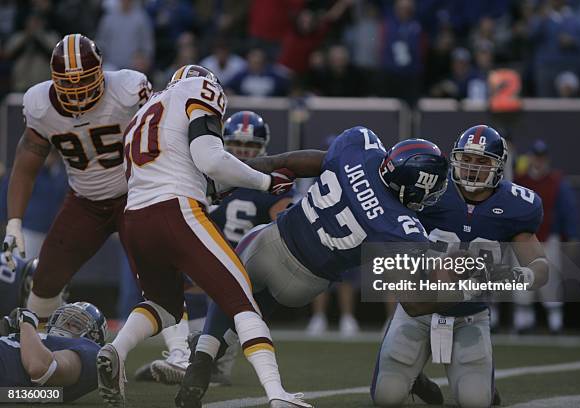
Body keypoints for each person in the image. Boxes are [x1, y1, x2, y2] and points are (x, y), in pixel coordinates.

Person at [180, 127, 450, 406]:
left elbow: (301, 162)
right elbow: (414, 303)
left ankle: (203, 357)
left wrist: (260, 166)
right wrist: (461, 288)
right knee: (256, 308)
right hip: (305, 285)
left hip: (270, 244)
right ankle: (410, 373)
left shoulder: (359, 147)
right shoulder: (401, 226)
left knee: (235, 294)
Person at [99, 64, 310, 408]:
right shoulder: (199, 90)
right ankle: (277, 393)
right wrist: (266, 182)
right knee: (241, 299)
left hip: (135, 218)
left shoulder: (144, 114)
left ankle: (116, 350)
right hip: (175, 210)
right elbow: (210, 159)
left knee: (162, 305)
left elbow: (183, 167)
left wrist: (213, 189)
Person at [371, 125, 549, 408]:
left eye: (482, 162)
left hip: (470, 316)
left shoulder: (517, 206)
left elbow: (540, 265)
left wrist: (518, 276)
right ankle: (415, 378)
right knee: (386, 397)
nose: (472, 169)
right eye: (466, 159)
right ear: (454, 159)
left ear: (499, 166)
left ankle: (485, 389)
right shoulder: (429, 188)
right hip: (418, 309)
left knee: (475, 401)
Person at [1, 33, 151, 326]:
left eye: (84, 79)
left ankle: (179, 353)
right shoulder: (40, 105)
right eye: (68, 82)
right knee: (44, 280)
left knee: (158, 272)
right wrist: (14, 223)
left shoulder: (128, 89)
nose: (77, 89)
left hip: (135, 193)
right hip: (86, 201)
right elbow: (25, 164)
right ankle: (38, 348)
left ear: (100, 72)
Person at [137, 111, 294, 386]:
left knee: (219, 304)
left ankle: (198, 359)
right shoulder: (240, 178)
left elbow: (284, 226)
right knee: (179, 289)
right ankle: (190, 355)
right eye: (238, 146)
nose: (244, 153)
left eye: (251, 148)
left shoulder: (211, 175)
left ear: (263, 148)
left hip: (241, 263)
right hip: (218, 260)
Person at [513, 139, 577, 334]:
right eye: (536, 156)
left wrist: (572, 235)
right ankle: (523, 320)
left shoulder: (557, 181)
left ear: (546, 159)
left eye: (542, 157)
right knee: (522, 279)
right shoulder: (520, 180)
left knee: (551, 279)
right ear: (531, 157)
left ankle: (555, 321)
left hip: (549, 237)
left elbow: (568, 210)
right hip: (523, 239)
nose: (538, 161)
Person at [0, 302, 107, 402]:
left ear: (93, 337)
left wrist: (27, 323)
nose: (67, 323)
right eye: (63, 319)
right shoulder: (38, 342)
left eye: (76, 324)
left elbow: (39, 368)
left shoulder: (92, 350)